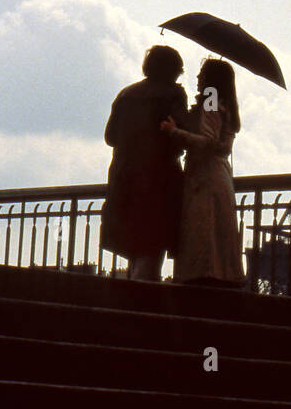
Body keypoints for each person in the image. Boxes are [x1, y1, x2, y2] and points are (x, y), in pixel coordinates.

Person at [100, 45, 188, 281]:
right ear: (173, 70)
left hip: (124, 178)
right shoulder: (173, 95)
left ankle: (133, 300)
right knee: (154, 245)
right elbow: (180, 135)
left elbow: (110, 137)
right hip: (159, 181)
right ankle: (143, 303)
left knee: (135, 245)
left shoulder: (126, 94)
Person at [161, 57, 245, 287]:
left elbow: (208, 141)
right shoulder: (223, 103)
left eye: (202, 74)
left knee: (202, 238)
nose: (197, 78)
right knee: (218, 241)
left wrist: (174, 132)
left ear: (210, 80)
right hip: (218, 175)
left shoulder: (210, 99)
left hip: (204, 177)